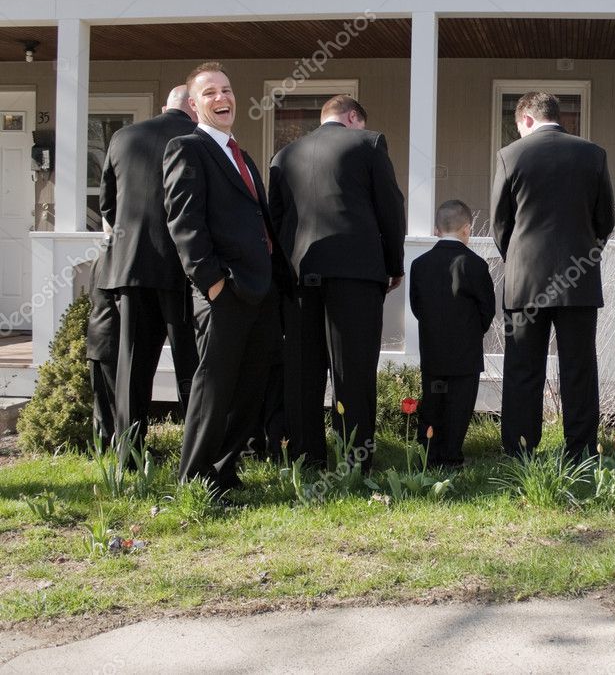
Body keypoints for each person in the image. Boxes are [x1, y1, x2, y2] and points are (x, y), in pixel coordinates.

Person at [164, 62, 294, 488]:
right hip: (224, 293)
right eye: (209, 93)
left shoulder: (240, 153)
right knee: (214, 390)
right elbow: (185, 224)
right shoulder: (188, 148)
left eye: (227, 89)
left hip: (259, 292)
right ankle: (194, 479)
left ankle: (223, 471)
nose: (222, 98)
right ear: (192, 103)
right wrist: (213, 284)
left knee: (249, 389)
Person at [269, 95, 406, 468]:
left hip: (299, 277)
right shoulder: (369, 142)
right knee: (354, 370)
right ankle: (354, 460)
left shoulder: (284, 155)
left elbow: (276, 222)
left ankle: (305, 457)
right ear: (352, 117)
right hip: (355, 275)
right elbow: (390, 207)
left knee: (302, 371)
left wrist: (284, 277)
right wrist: (394, 264)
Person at [491, 92, 615, 459]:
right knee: (579, 369)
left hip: (525, 282)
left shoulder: (511, 155)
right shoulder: (593, 154)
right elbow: (605, 220)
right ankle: (580, 451)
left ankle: (520, 450)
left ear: (526, 119)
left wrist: (516, 259)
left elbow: (501, 223)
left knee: (523, 370)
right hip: (578, 281)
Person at [98, 85, 199, 461]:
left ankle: (128, 452)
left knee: (132, 363)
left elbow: (108, 204)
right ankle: (195, 452)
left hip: (131, 267)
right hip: (181, 268)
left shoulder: (123, 136)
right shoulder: (196, 138)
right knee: (190, 361)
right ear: (194, 106)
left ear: (162, 107)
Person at [410, 200, 496, 467]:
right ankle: (452, 454)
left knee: (432, 402)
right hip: (465, 351)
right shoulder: (477, 265)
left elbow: (417, 306)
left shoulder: (420, 264)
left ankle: (429, 454)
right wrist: (473, 331)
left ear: (437, 228)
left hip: (432, 347)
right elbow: (487, 309)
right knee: (459, 405)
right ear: (466, 229)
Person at [86, 236, 119, 448]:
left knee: (101, 403)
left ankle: (102, 445)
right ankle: (121, 445)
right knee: (117, 402)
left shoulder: (98, 258)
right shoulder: (114, 260)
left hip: (95, 337)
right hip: (111, 337)